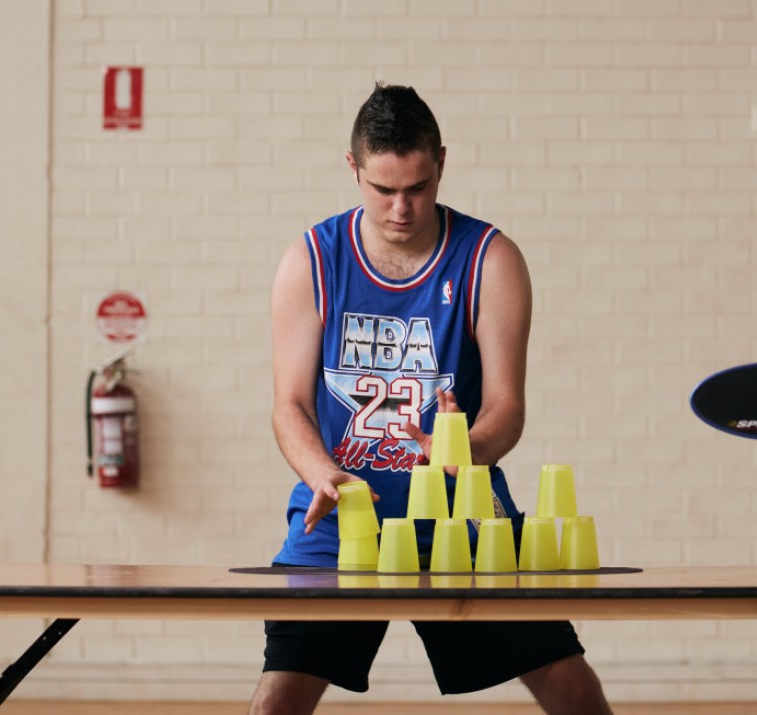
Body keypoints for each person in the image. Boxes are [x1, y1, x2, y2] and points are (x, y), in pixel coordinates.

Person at [249, 83, 613, 715]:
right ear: (353, 168)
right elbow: (289, 406)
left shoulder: (489, 259)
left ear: (440, 162)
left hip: (461, 518)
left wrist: (463, 449)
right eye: (383, 190)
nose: (400, 208)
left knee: (572, 688)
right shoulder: (310, 260)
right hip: (341, 518)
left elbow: (508, 408)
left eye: (417, 187)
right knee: (277, 699)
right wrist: (321, 474)